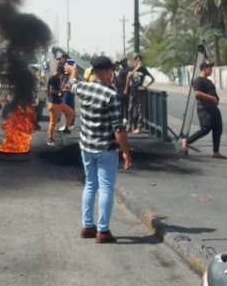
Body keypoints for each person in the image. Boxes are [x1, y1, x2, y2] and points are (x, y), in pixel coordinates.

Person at [74, 56, 131, 243]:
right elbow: (118, 128)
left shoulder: (83, 88)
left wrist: (73, 71)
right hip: (105, 148)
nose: (112, 73)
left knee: (90, 185)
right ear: (105, 72)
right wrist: (126, 153)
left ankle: (87, 226)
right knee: (106, 188)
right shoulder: (111, 96)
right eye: (111, 70)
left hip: (86, 146)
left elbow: (72, 83)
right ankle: (103, 231)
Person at [183, 62, 225, 158]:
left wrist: (216, 99)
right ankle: (187, 141)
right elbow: (197, 93)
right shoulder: (198, 80)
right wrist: (211, 98)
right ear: (204, 69)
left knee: (217, 129)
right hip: (204, 109)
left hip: (213, 108)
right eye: (209, 68)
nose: (211, 70)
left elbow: (213, 93)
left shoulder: (208, 81)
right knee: (206, 129)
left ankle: (216, 152)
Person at [46, 66, 75, 146]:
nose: (62, 75)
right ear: (59, 72)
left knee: (71, 113)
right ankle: (50, 139)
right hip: (54, 103)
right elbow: (52, 91)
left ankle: (66, 128)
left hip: (58, 102)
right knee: (53, 122)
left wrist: (62, 90)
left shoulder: (57, 78)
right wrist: (62, 90)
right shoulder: (54, 78)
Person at [126, 55, 155, 134]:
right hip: (133, 91)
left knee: (140, 110)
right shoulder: (132, 68)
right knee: (130, 109)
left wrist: (145, 86)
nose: (139, 62)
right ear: (135, 61)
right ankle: (129, 126)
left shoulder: (144, 69)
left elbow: (153, 79)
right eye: (138, 60)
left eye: (140, 60)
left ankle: (139, 127)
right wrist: (136, 68)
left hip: (140, 92)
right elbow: (129, 76)